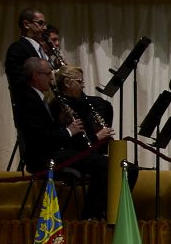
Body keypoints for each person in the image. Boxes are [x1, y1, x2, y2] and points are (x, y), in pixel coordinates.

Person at [11, 56, 109, 217]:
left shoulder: (35, 96)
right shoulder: (28, 99)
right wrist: (69, 131)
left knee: (104, 163)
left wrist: (62, 122)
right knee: (104, 165)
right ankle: (91, 216)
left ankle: (95, 213)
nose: (51, 77)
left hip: (54, 153)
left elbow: (46, 131)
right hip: (44, 158)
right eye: (48, 73)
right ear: (36, 76)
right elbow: (40, 138)